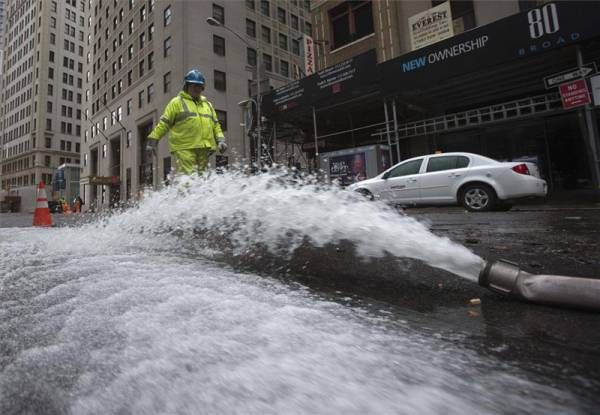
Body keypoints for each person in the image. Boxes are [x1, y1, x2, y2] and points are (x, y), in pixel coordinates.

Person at [145, 69, 227, 175]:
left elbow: (216, 125)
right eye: (193, 85)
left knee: (203, 182)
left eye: (199, 86)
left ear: (202, 87)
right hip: (184, 148)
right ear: (187, 86)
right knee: (188, 180)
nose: (196, 89)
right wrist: (152, 141)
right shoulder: (176, 103)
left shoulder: (207, 105)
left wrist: (220, 140)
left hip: (204, 148)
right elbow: (164, 123)